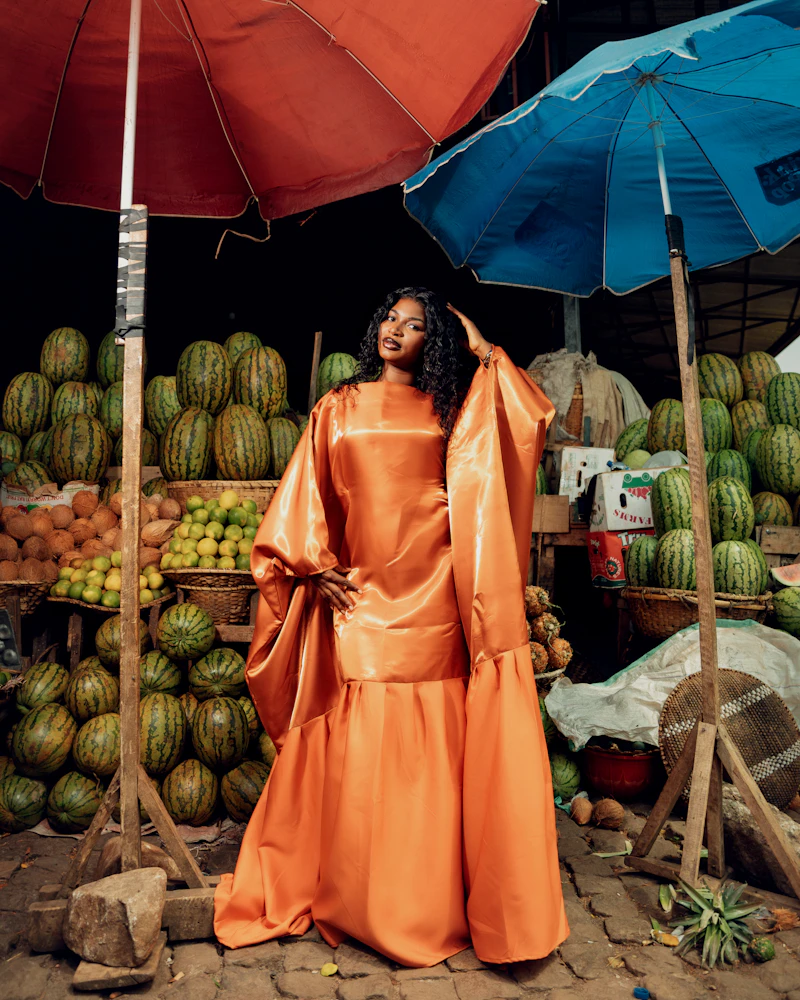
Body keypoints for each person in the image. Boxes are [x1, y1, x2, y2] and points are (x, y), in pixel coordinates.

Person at [214, 287, 568, 967]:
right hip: (360, 595)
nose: (395, 330)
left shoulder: (452, 409)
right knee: (361, 734)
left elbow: (526, 420)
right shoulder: (336, 407)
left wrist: (482, 348)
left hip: (435, 590)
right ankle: (355, 892)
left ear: (432, 341)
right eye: (388, 319)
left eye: (414, 325)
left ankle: (422, 901)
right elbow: (305, 492)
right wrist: (311, 565)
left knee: (428, 748)